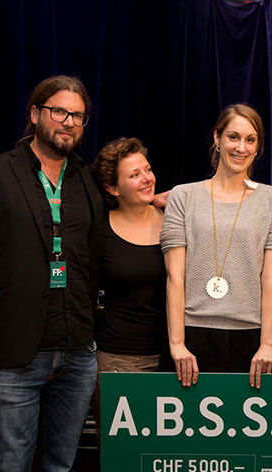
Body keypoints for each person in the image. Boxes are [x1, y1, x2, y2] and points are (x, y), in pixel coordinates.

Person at [0, 75, 102, 472]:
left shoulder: (89, 180)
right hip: (14, 355)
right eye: (59, 111)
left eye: (77, 116)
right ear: (35, 114)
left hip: (77, 353)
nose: (68, 122)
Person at [160, 103, 272, 388]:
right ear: (217, 139)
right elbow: (174, 277)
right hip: (191, 336)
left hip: (254, 339)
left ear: (258, 147)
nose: (241, 148)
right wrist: (177, 344)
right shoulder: (183, 196)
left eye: (250, 139)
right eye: (233, 137)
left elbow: (271, 280)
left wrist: (267, 345)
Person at [91, 137, 167, 424]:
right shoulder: (99, 228)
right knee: (119, 458)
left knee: (163, 458)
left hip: (170, 360)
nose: (147, 179)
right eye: (134, 175)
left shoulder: (174, 218)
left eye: (147, 170)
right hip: (117, 360)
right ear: (112, 188)